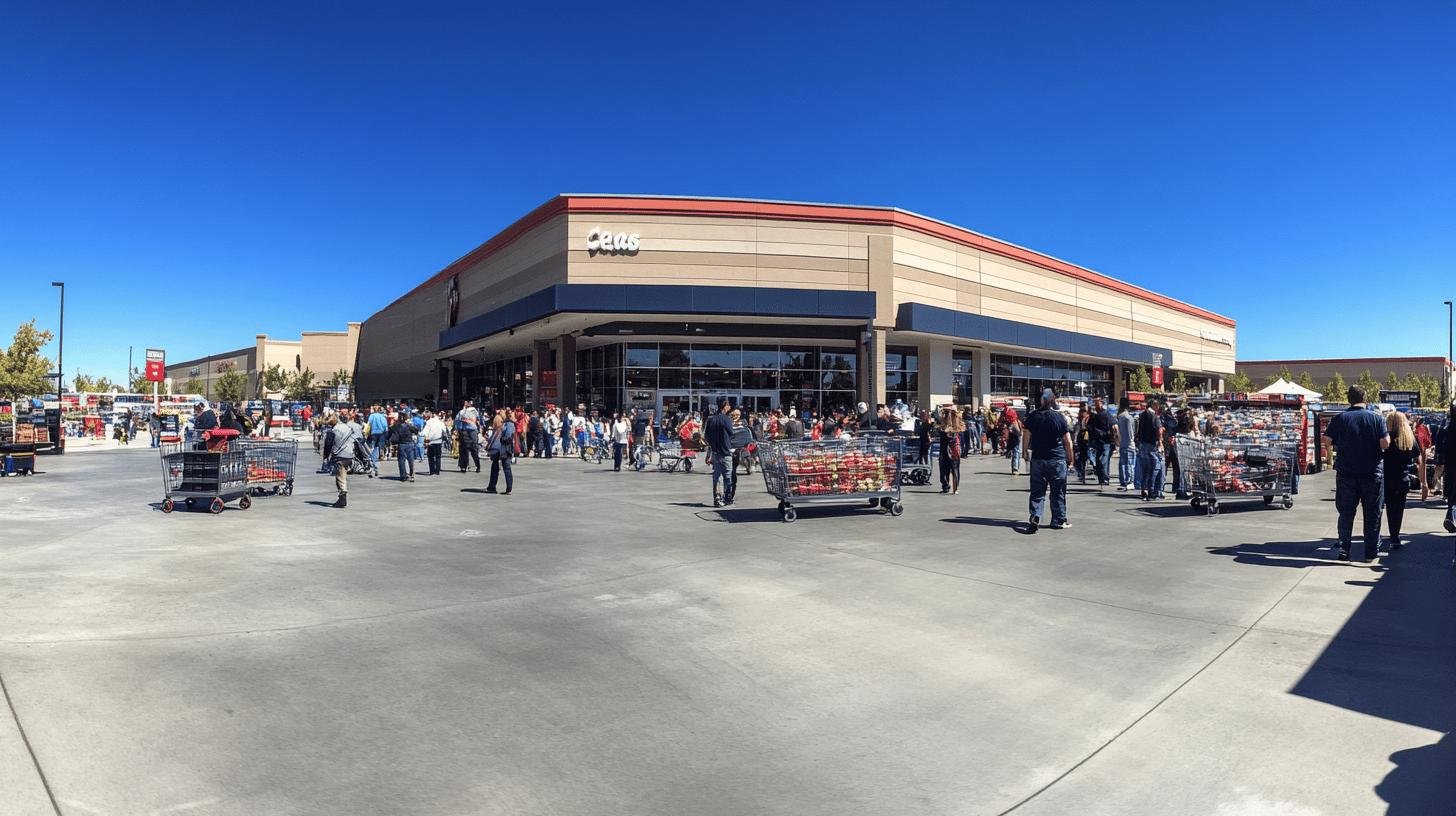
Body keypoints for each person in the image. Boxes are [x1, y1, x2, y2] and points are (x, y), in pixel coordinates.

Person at [1321, 386, 1391, 561]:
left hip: (1346, 473)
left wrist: (1339, 446)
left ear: (1348, 399)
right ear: (1365, 397)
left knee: (1346, 513)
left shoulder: (1339, 418)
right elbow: (1385, 443)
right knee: (1372, 513)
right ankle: (1370, 552)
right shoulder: (1376, 418)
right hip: (1372, 473)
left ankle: (1344, 548)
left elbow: (1326, 440)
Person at [1024, 389, 1074, 532]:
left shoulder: (1033, 417)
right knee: (1057, 491)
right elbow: (1067, 441)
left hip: (1038, 458)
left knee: (1037, 491)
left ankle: (1035, 515)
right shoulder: (1059, 418)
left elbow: (1026, 434)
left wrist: (1024, 452)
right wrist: (1070, 458)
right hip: (1056, 459)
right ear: (1052, 401)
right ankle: (1058, 520)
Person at [1380, 411, 1427, 551]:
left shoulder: (1386, 438)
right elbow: (1419, 460)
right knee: (1399, 509)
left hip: (1387, 478)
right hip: (1403, 478)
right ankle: (1395, 537)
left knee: (1390, 508)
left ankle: (1392, 534)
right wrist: (1423, 483)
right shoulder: (1408, 439)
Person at [705, 398, 736, 506]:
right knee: (727, 476)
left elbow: (706, 436)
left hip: (715, 452)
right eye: (729, 405)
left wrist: (712, 447)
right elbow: (732, 433)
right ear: (725, 406)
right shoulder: (726, 419)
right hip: (726, 451)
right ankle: (727, 497)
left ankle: (716, 498)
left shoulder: (711, 419)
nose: (730, 407)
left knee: (716, 476)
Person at [1135, 399, 1166, 501]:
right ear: (1154, 405)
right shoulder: (1154, 417)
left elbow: (1139, 430)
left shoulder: (1142, 415)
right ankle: (1151, 491)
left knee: (1145, 469)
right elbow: (1158, 430)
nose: (1158, 408)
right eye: (1157, 406)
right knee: (1155, 468)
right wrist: (1160, 442)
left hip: (1143, 443)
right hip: (1152, 444)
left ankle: (1144, 489)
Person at [328, 415, 360, 508]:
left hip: (340, 456)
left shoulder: (333, 431)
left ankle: (342, 499)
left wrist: (326, 456)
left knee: (340, 478)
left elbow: (328, 444)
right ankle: (341, 498)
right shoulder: (348, 428)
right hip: (349, 455)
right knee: (343, 476)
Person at [1085, 397, 1116, 489]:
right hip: (1098, 441)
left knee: (1103, 460)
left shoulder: (1106, 415)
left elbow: (1113, 426)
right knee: (1100, 460)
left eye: (1098, 404)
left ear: (1102, 404)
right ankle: (1102, 478)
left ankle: (1105, 478)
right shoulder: (1094, 416)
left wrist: (1114, 438)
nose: (1096, 406)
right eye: (1095, 404)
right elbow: (1089, 426)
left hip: (1106, 441)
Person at [485, 410, 515, 495]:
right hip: (503, 448)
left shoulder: (506, 424)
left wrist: (502, 439)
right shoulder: (508, 424)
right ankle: (503, 488)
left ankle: (494, 487)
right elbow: (508, 436)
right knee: (504, 467)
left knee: (500, 467)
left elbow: (506, 437)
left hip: (501, 448)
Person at [937, 406, 964, 494]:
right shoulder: (956, 424)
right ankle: (952, 487)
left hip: (950, 448)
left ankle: (949, 486)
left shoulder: (954, 424)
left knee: (948, 467)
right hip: (951, 448)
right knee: (952, 467)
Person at [388, 412, 418, 483]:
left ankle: (403, 476)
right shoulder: (409, 426)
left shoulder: (396, 426)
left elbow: (390, 430)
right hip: (410, 444)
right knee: (411, 460)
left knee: (401, 460)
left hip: (401, 444)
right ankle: (411, 475)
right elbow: (416, 430)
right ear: (405, 418)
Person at [454, 400, 481, 473]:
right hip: (472, 431)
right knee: (474, 449)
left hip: (465, 431)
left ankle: (464, 467)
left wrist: (457, 430)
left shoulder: (462, 412)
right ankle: (477, 466)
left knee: (464, 450)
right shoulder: (475, 411)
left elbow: (457, 421)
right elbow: (479, 421)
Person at [421, 409, 447, 475]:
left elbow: (424, 432)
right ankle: (437, 471)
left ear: (432, 414)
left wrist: (421, 434)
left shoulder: (429, 422)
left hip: (431, 442)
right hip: (439, 441)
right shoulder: (440, 422)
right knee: (438, 456)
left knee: (431, 457)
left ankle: (432, 471)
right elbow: (444, 431)